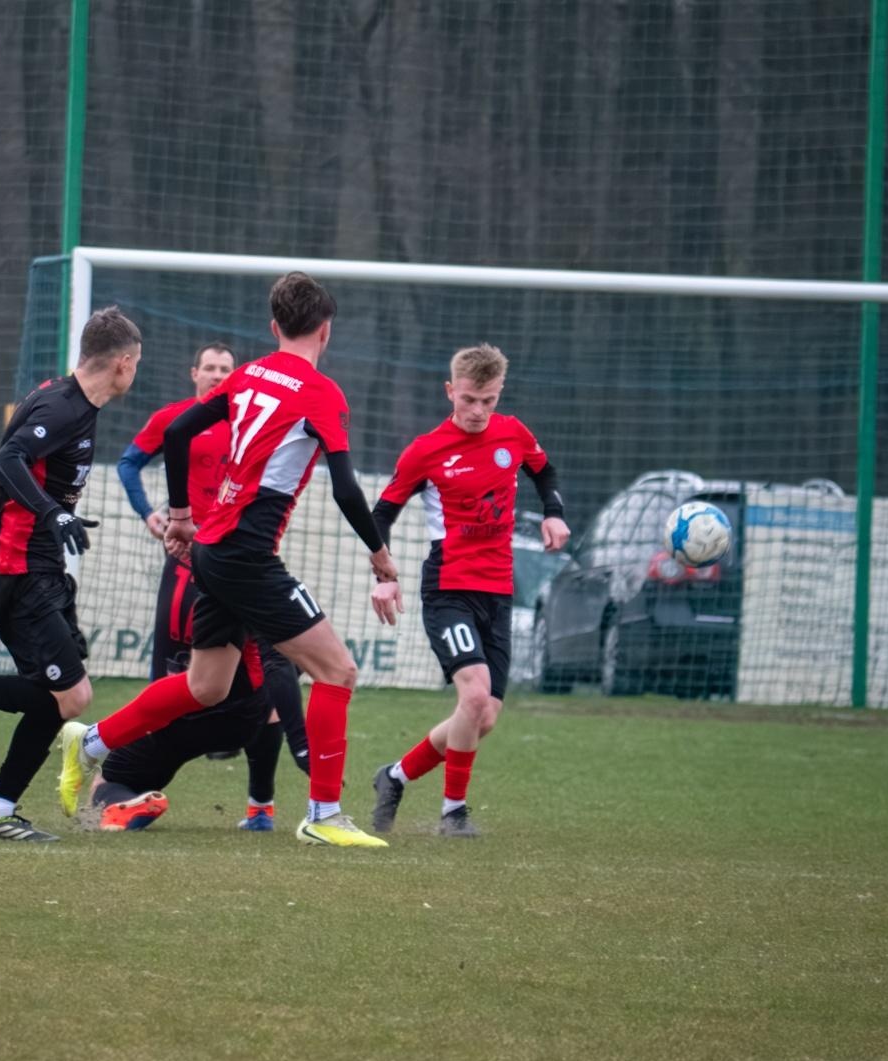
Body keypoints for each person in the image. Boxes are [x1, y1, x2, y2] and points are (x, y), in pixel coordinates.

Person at [58, 272, 403, 848]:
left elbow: (177, 434)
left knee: (206, 686)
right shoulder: (321, 392)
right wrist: (380, 556)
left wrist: (180, 516)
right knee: (338, 671)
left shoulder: (248, 375)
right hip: (246, 556)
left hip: (211, 550)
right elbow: (346, 489)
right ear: (325, 330)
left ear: (273, 328)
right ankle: (322, 813)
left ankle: (90, 742)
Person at [0, 307, 142, 842]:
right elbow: (8, 459)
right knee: (72, 697)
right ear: (124, 363)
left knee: (55, 698)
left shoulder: (74, 401)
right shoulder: (62, 407)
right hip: (16, 568)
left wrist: (56, 511)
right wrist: (53, 512)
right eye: (137, 365)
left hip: (41, 569)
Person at [367, 344, 569, 836]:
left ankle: (393, 776)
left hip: (497, 591)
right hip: (448, 589)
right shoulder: (425, 450)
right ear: (450, 392)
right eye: (471, 399)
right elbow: (381, 515)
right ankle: (452, 814)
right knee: (474, 696)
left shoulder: (513, 433)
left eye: (490, 400)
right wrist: (385, 578)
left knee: (484, 716)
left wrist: (554, 512)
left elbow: (544, 472)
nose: (479, 411)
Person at [116, 341, 308, 831]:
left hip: (240, 562)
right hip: (185, 560)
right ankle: (128, 787)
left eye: (227, 368)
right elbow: (128, 463)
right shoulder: (174, 419)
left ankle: (260, 805)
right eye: (211, 368)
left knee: (266, 664)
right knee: (174, 671)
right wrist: (150, 513)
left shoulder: (252, 423)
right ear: (193, 373)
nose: (219, 375)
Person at [85, 640, 272, 832]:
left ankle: (121, 804)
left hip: (178, 714)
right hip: (243, 718)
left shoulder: (192, 611)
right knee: (271, 691)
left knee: (109, 780)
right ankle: (261, 809)